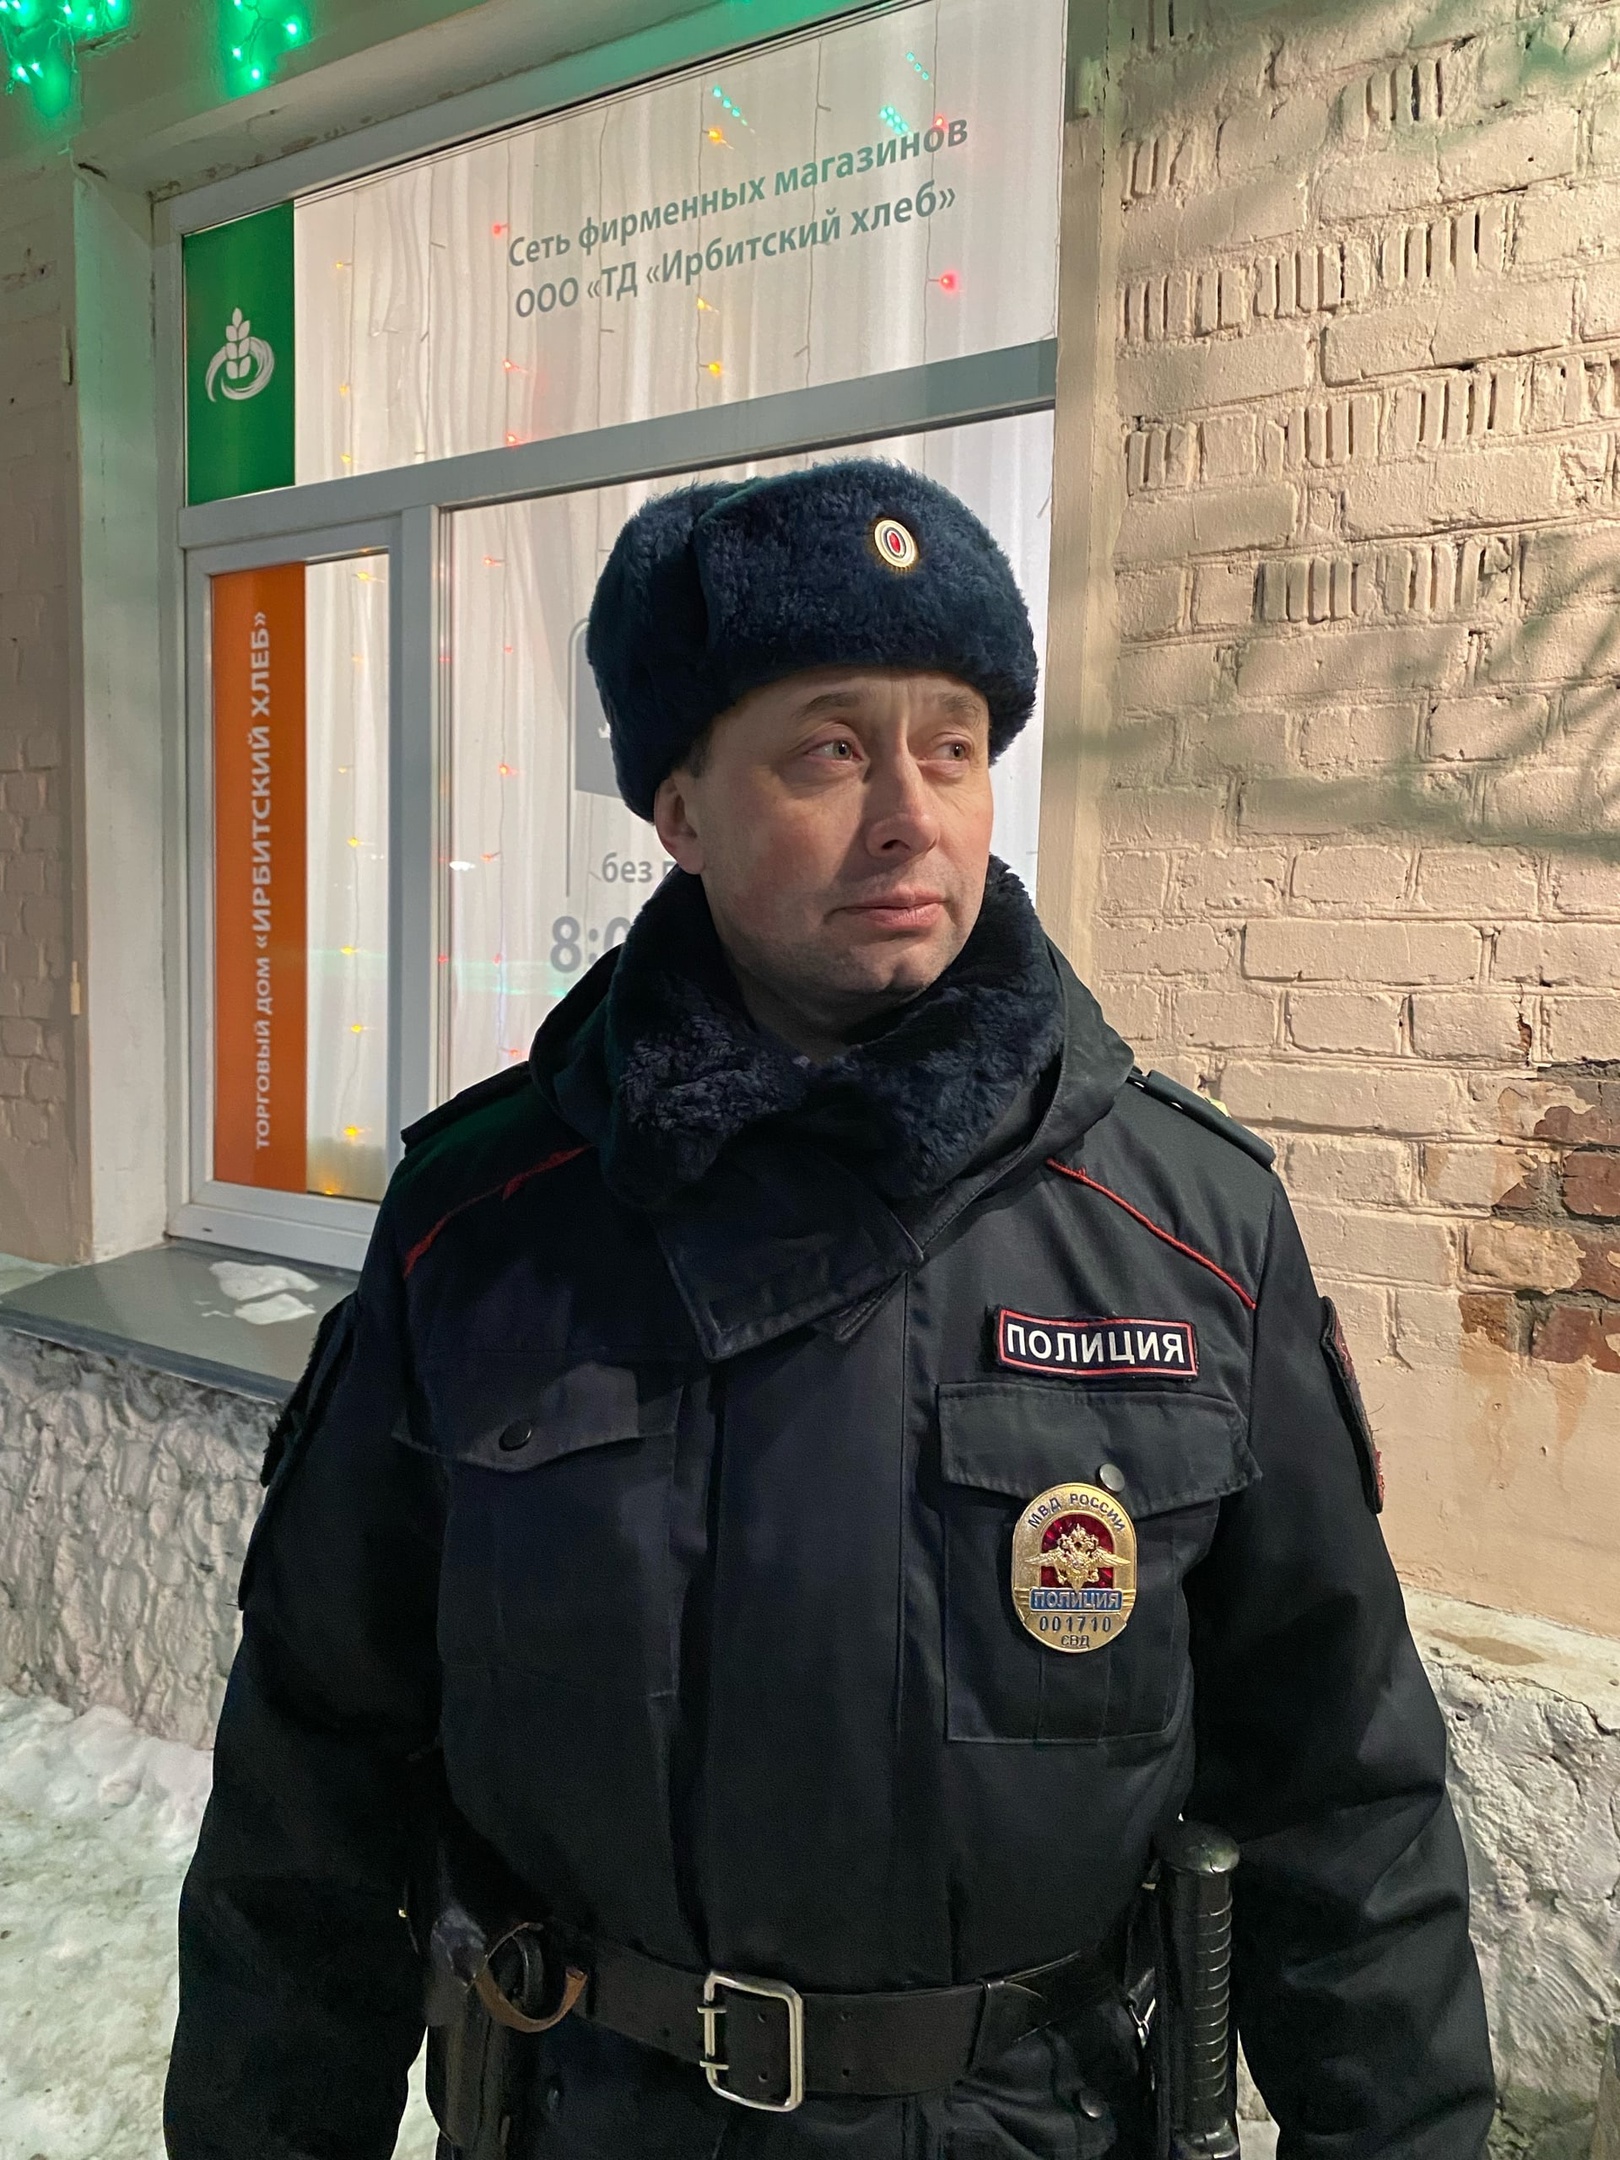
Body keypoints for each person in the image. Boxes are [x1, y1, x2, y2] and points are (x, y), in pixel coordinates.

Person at [165, 459, 1495, 2160]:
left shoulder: (1190, 1233)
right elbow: (312, 1797)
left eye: (953, 746)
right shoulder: (482, 1232)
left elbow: (1345, 1803)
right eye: (829, 751)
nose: (911, 812)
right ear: (680, 807)